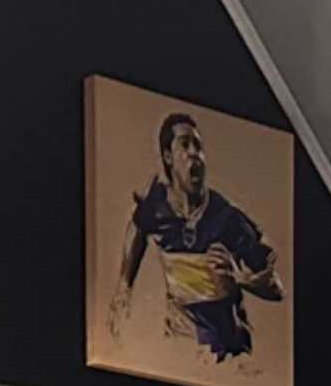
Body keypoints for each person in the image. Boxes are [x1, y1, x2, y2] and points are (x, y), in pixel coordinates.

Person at [115, 112, 281, 369]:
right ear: (168, 157)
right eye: (185, 144)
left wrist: (242, 280)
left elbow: (276, 288)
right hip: (180, 347)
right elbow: (137, 227)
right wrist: (124, 287)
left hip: (228, 353)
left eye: (199, 146)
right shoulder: (157, 207)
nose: (195, 154)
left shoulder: (227, 219)